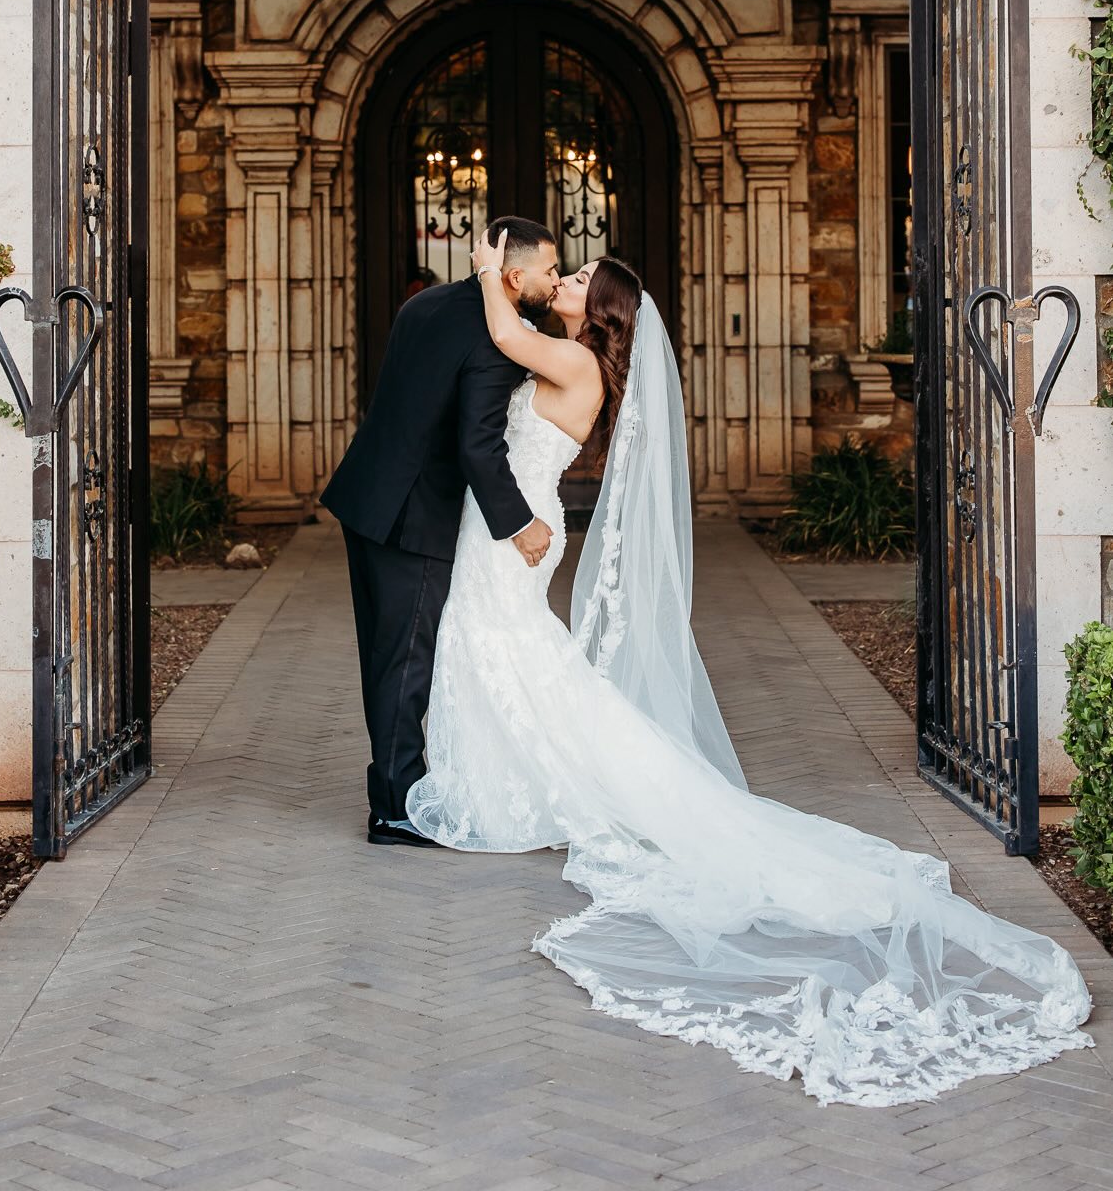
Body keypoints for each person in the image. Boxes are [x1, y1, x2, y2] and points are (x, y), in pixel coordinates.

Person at [405, 228, 1093, 1108]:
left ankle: (542, 786)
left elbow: (502, 338)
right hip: (515, 529)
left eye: (578, 279)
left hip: (518, 534)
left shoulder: (569, 365)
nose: (566, 281)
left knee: (509, 648)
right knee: (502, 649)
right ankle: (514, 780)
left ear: (602, 313)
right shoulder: (573, 360)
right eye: (566, 272)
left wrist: (481, 269)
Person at [318, 217, 560, 845]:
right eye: (550, 271)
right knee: (404, 665)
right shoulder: (497, 340)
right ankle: (396, 810)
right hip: (414, 515)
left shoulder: (424, 303)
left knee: (383, 655)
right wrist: (519, 525)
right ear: (513, 276)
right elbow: (479, 448)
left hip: (365, 495)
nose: (556, 281)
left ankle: (393, 789)